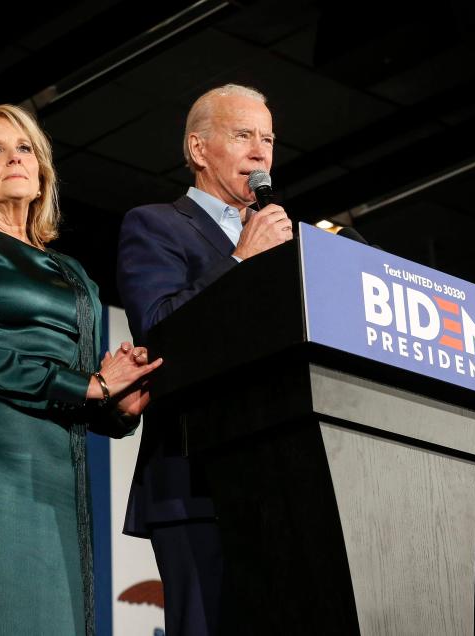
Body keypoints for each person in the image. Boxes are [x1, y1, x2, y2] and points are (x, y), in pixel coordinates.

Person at [0, 104, 162, 636]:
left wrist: (117, 405)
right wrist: (92, 386)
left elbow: (82, 386)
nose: (14, 158)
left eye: (24, 147)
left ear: (42, 169)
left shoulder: (72, 271)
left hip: (56, 459)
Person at [116, 84, 293, 634]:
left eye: (267, 138)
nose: (261, 151)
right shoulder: (155, 225)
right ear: (198, 149)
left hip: (283, 480)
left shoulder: (281, 244)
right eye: (244, 135)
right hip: (197, 479)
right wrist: (240, 261)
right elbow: (161, 329)